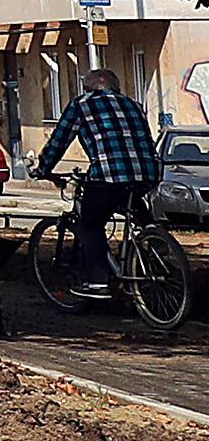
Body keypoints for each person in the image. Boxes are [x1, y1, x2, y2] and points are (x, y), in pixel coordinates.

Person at [34, 67, 160, 300]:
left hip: (108, 175)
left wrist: (43, 169)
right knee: (135, 209)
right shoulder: (133, 104)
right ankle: (156, 245)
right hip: (147, 173)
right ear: (116, 87)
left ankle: (97, 281)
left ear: (87, 88)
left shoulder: (81, 104)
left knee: (90, 226)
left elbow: (59, 141)